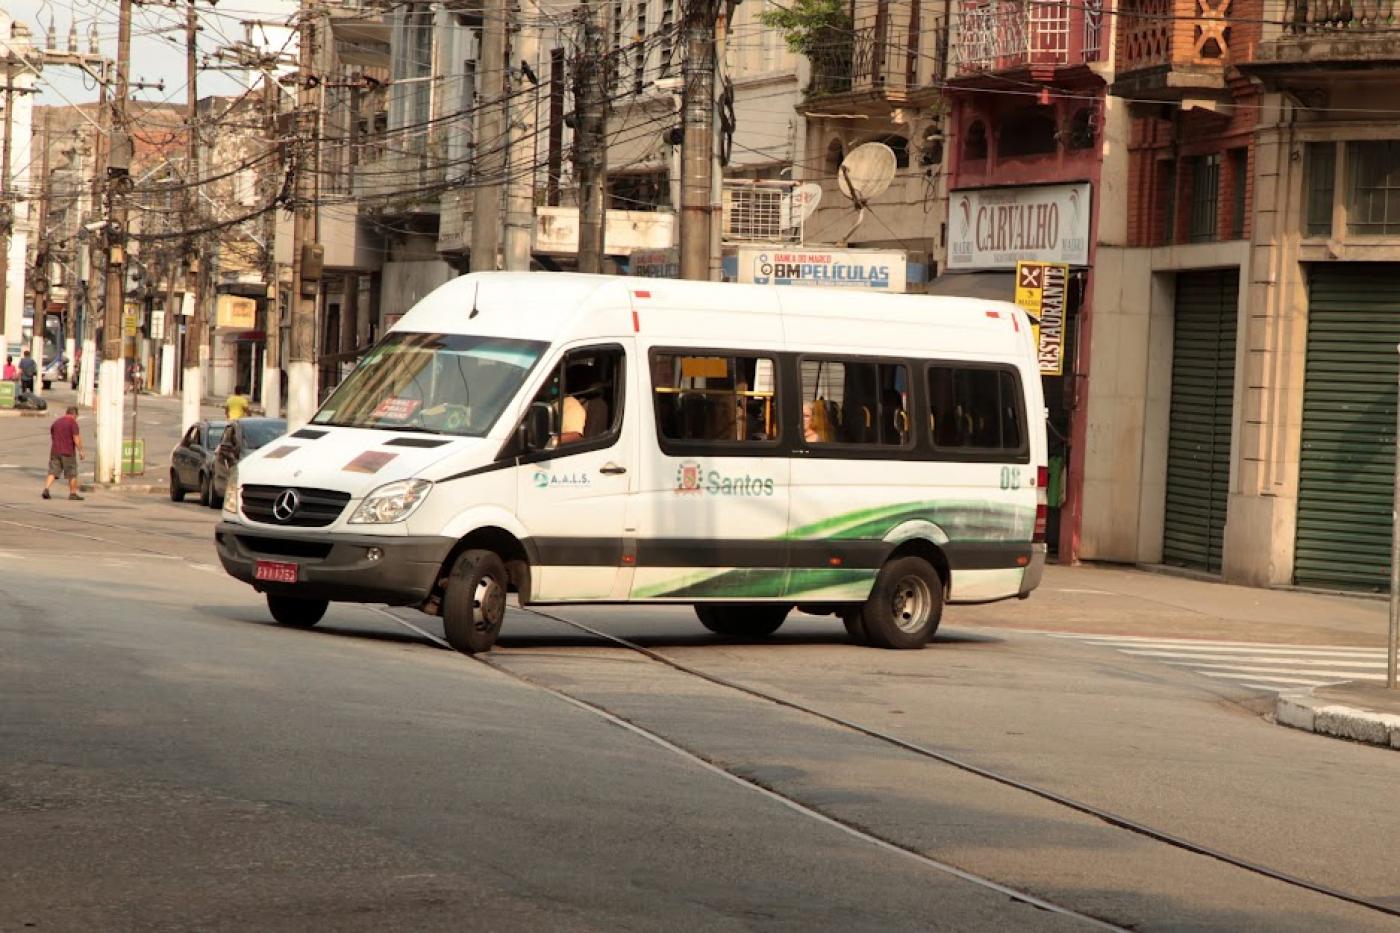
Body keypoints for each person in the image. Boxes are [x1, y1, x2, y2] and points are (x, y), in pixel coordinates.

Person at [42, 405, 84, 501]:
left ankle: (46, 489)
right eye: (76, 416)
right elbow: (76, 438)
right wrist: (81, 451)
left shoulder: (57, 422)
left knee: (53, 471)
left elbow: (52, 434)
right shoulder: (72, 423)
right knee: (72, 473)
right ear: (74, 414)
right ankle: (73, 493)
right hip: (68, 452)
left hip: (55, 451)